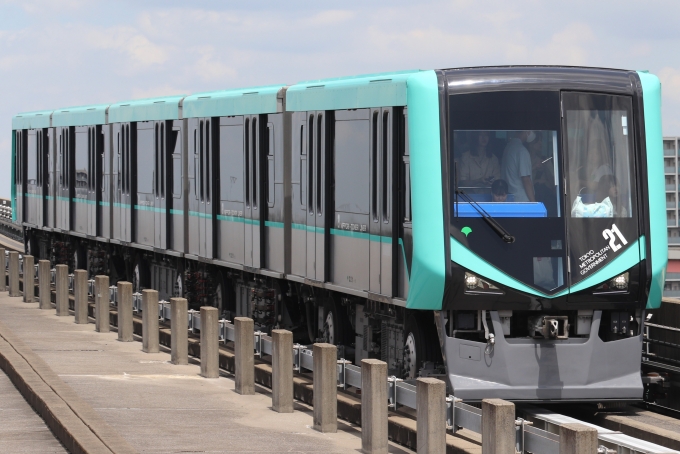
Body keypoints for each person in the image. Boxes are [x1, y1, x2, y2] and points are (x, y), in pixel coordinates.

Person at [501, 131, 535, 202]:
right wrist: (533, 203)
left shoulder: (507, 148)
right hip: (522, 200)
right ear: (527, 131)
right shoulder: (522, 151)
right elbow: (526, 180)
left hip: (509, 197)